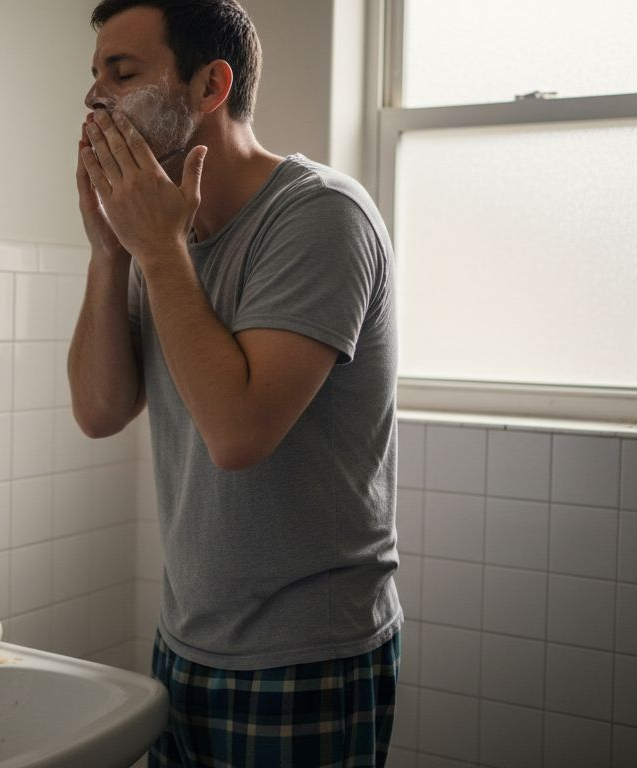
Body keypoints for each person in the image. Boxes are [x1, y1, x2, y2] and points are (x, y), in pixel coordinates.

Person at [67, 1, 401, 764]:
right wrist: (109, 252)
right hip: (187, 638)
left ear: (210, 86)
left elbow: (238, 434)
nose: (93, 97)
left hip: (307, 654)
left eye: (121, 73)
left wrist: (157, 252)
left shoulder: (321, 216)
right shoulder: (160, 232)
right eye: (95, 74)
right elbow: (99, 410)